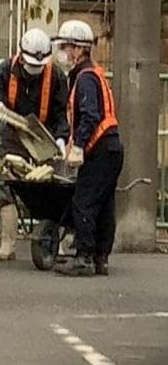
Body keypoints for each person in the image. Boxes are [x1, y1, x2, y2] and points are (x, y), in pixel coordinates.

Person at [0, 28, 69, 261]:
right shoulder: (3, 71)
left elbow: (61, 112)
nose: (34, 71)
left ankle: (56, 243)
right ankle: (7, 244)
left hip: (46, 135)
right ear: (21, 56)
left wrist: (61, 139)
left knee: (53, 188)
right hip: (14, 134)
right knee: (7, 183)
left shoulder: (56, 76)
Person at [52, 20, 123, 277]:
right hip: (111, 147)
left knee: (83, 202)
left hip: (100, 148)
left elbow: (91, 115)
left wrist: (79, 145)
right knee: (104, 204)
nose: (63, 52)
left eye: (65, 46)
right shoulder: (94, 73)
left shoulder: (85, 78)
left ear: (78, 48)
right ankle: (100, 257)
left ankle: (84, 258)